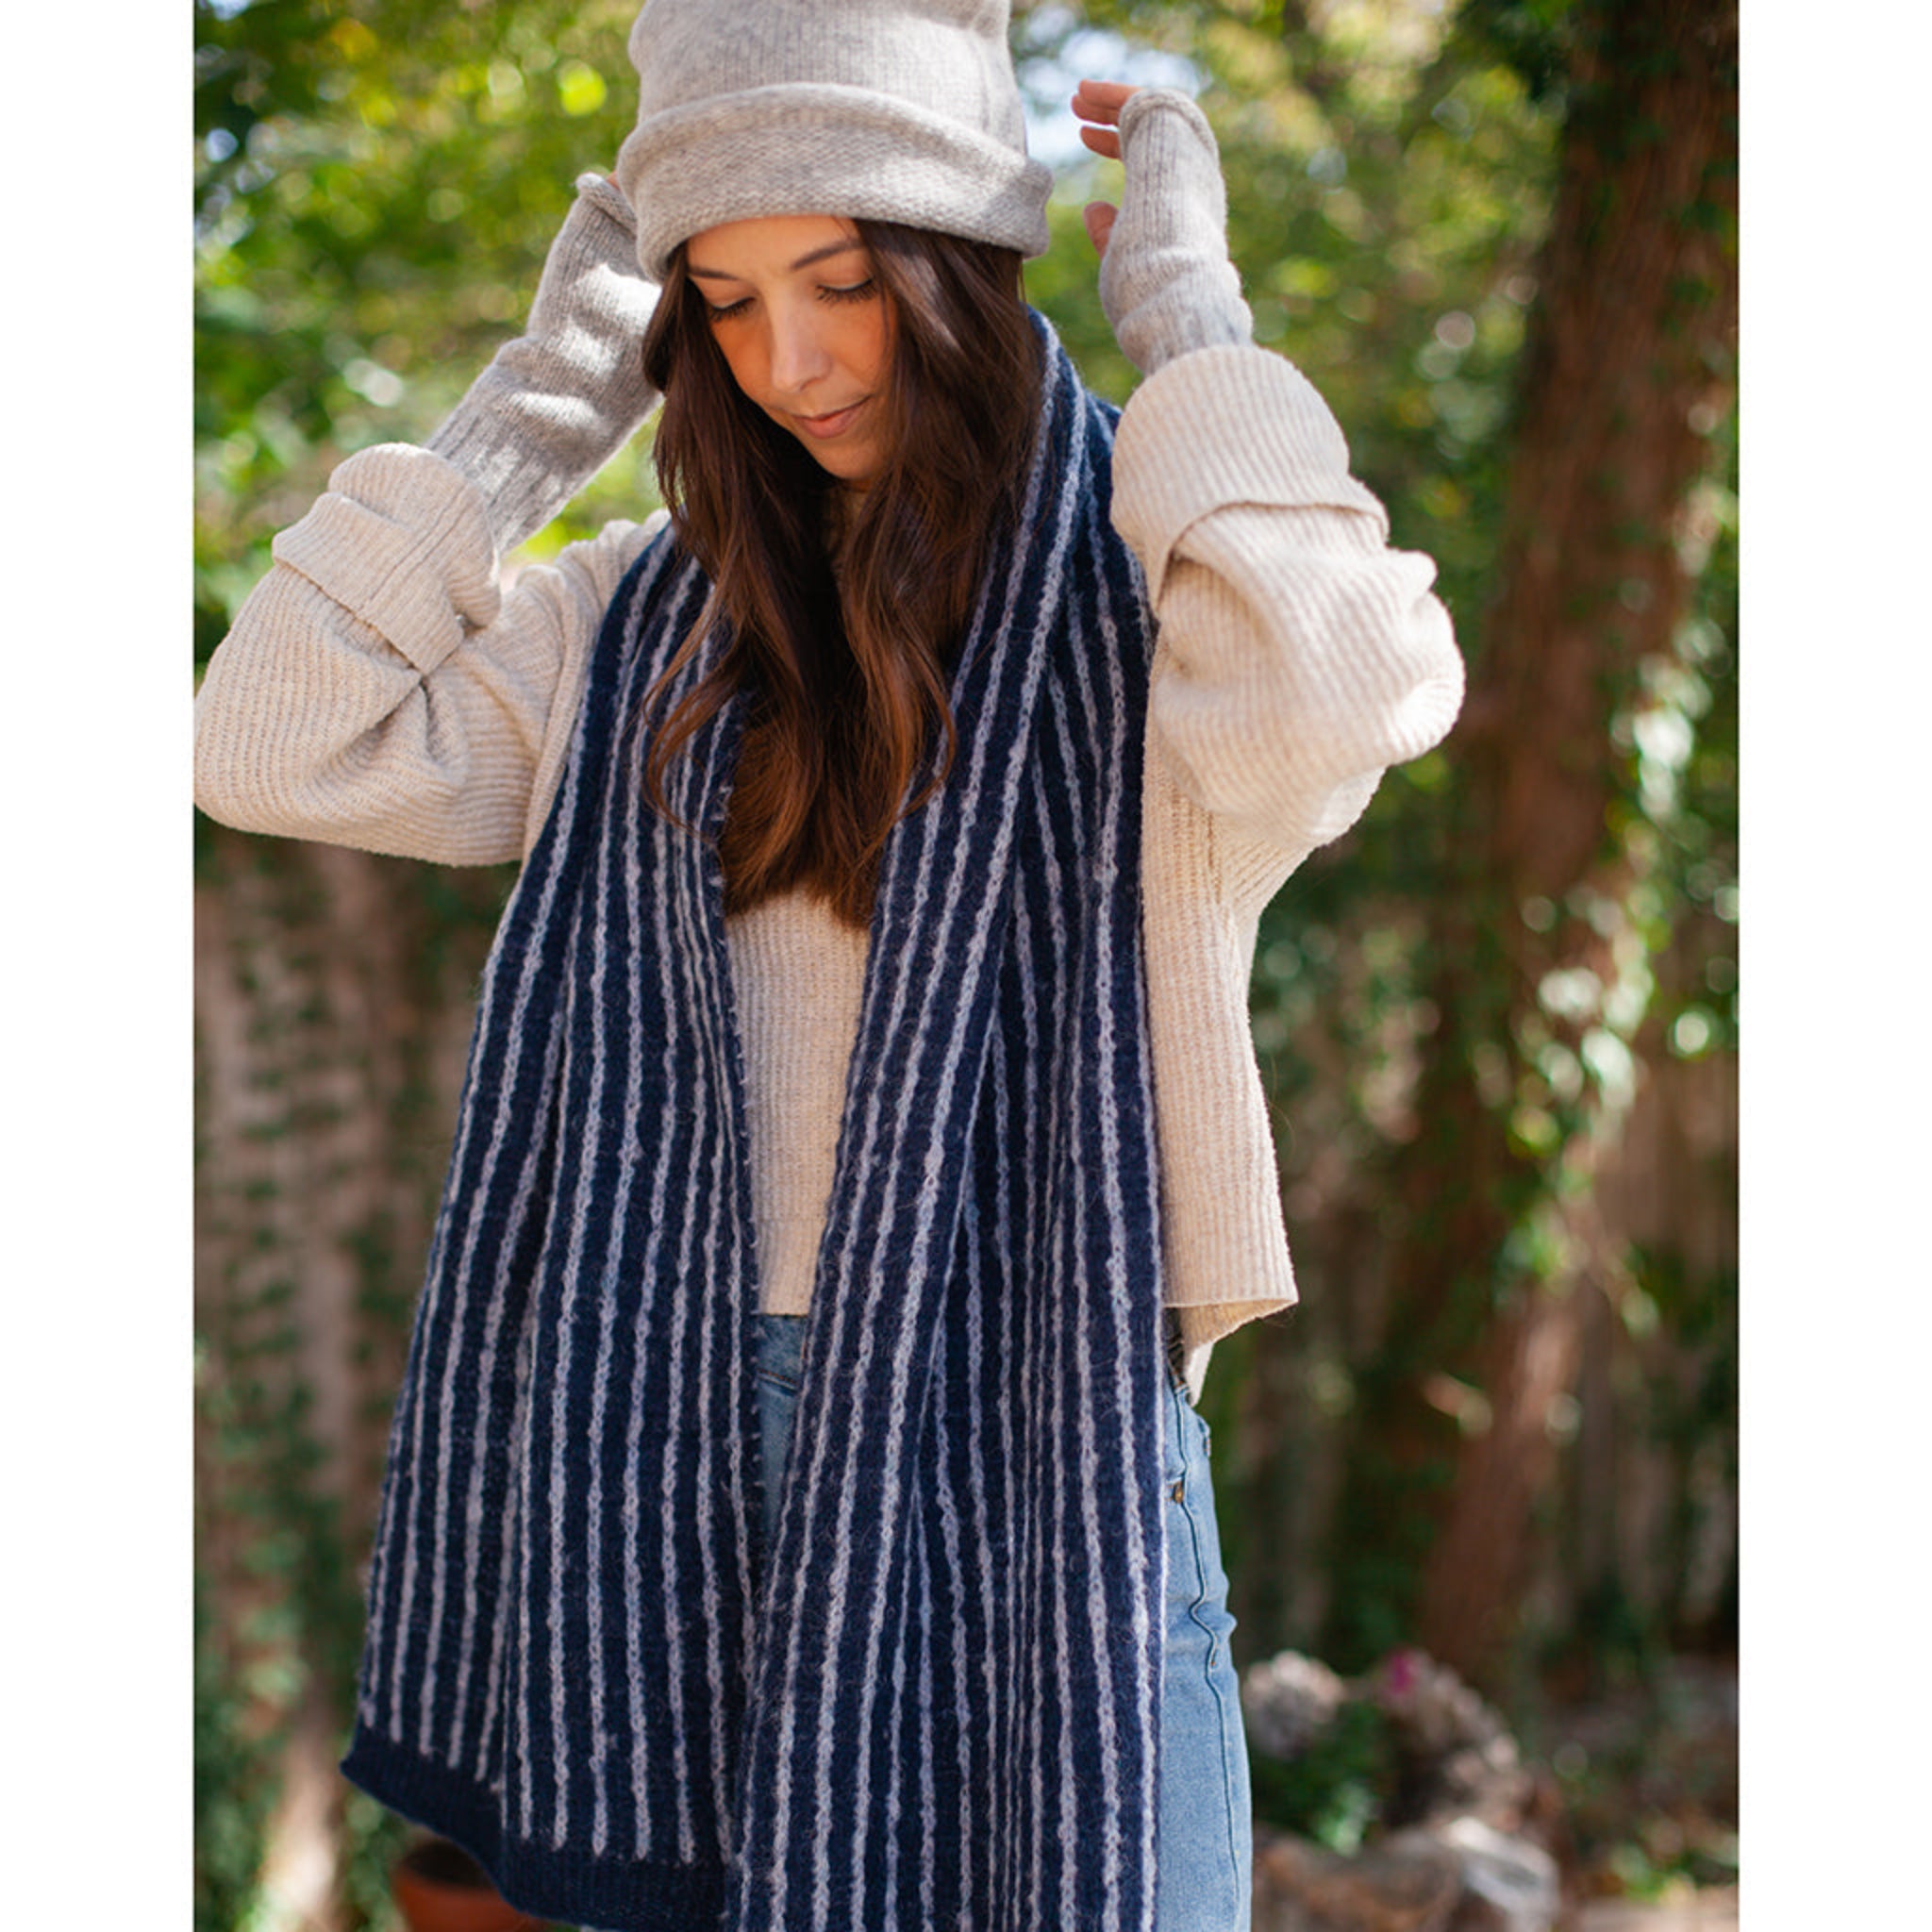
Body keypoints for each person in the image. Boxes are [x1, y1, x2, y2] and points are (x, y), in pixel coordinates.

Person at [193, 3, 1463, 1927]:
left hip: (1052, 1452)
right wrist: (544, 393)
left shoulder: (1158, 610)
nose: (785, 361)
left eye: (843, 281)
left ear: (950, 266)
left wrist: (1195, 318)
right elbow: (262, 738)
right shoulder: (639, 625)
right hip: (668, 1450)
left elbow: (1348, 679)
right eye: (718, 296)